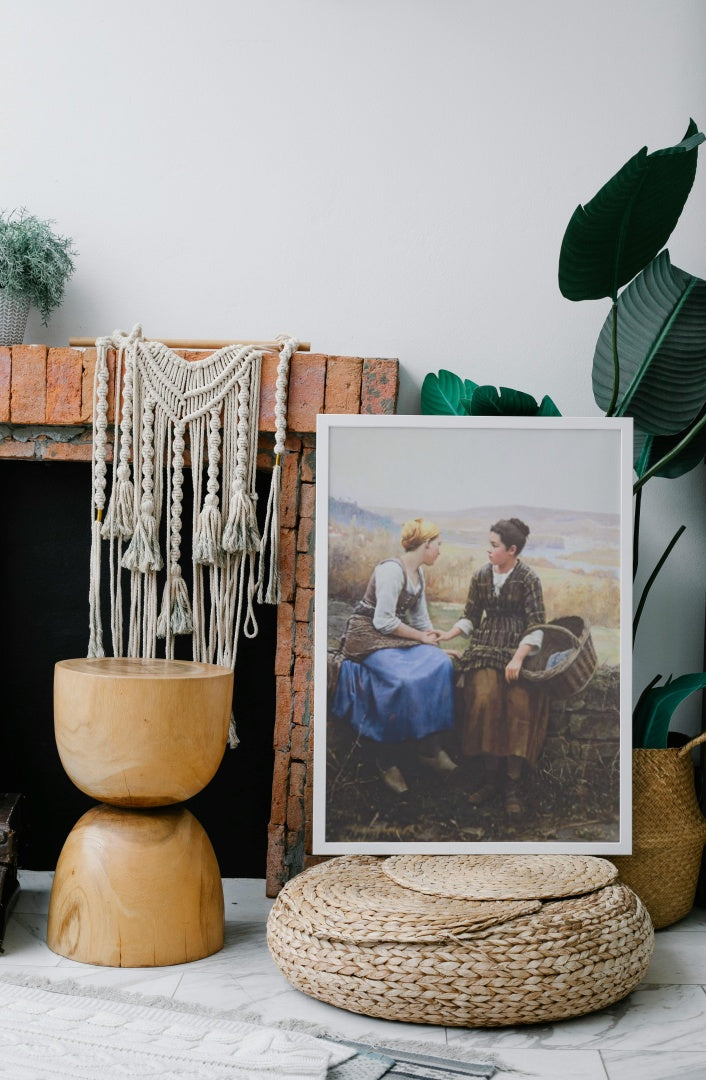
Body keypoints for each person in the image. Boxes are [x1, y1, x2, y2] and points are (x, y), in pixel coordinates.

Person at [331, 518, 457, 794]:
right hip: (366, 637)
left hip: (393, 636)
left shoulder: (419, 574)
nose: (439, 551)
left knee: (441, 665)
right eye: (438, 546)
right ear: (426, 545)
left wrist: (433, 647)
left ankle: (430, 750)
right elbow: (383, 622)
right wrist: (420, 638)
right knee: (401, 680)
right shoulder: (391, 571)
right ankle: (385, 760)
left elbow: (422, 621)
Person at [437, 517, 547, 818]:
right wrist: (450, 633)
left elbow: (537, 625)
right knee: (484, 700)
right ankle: (490, 778)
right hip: (485, 649)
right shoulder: (482, 576)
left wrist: (519, 657)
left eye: (494, 546)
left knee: (519, 705)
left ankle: (511, 783)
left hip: (517, 651)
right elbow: (471, 616)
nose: (489, 551)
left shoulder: (529, 579)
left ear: (512, 550)